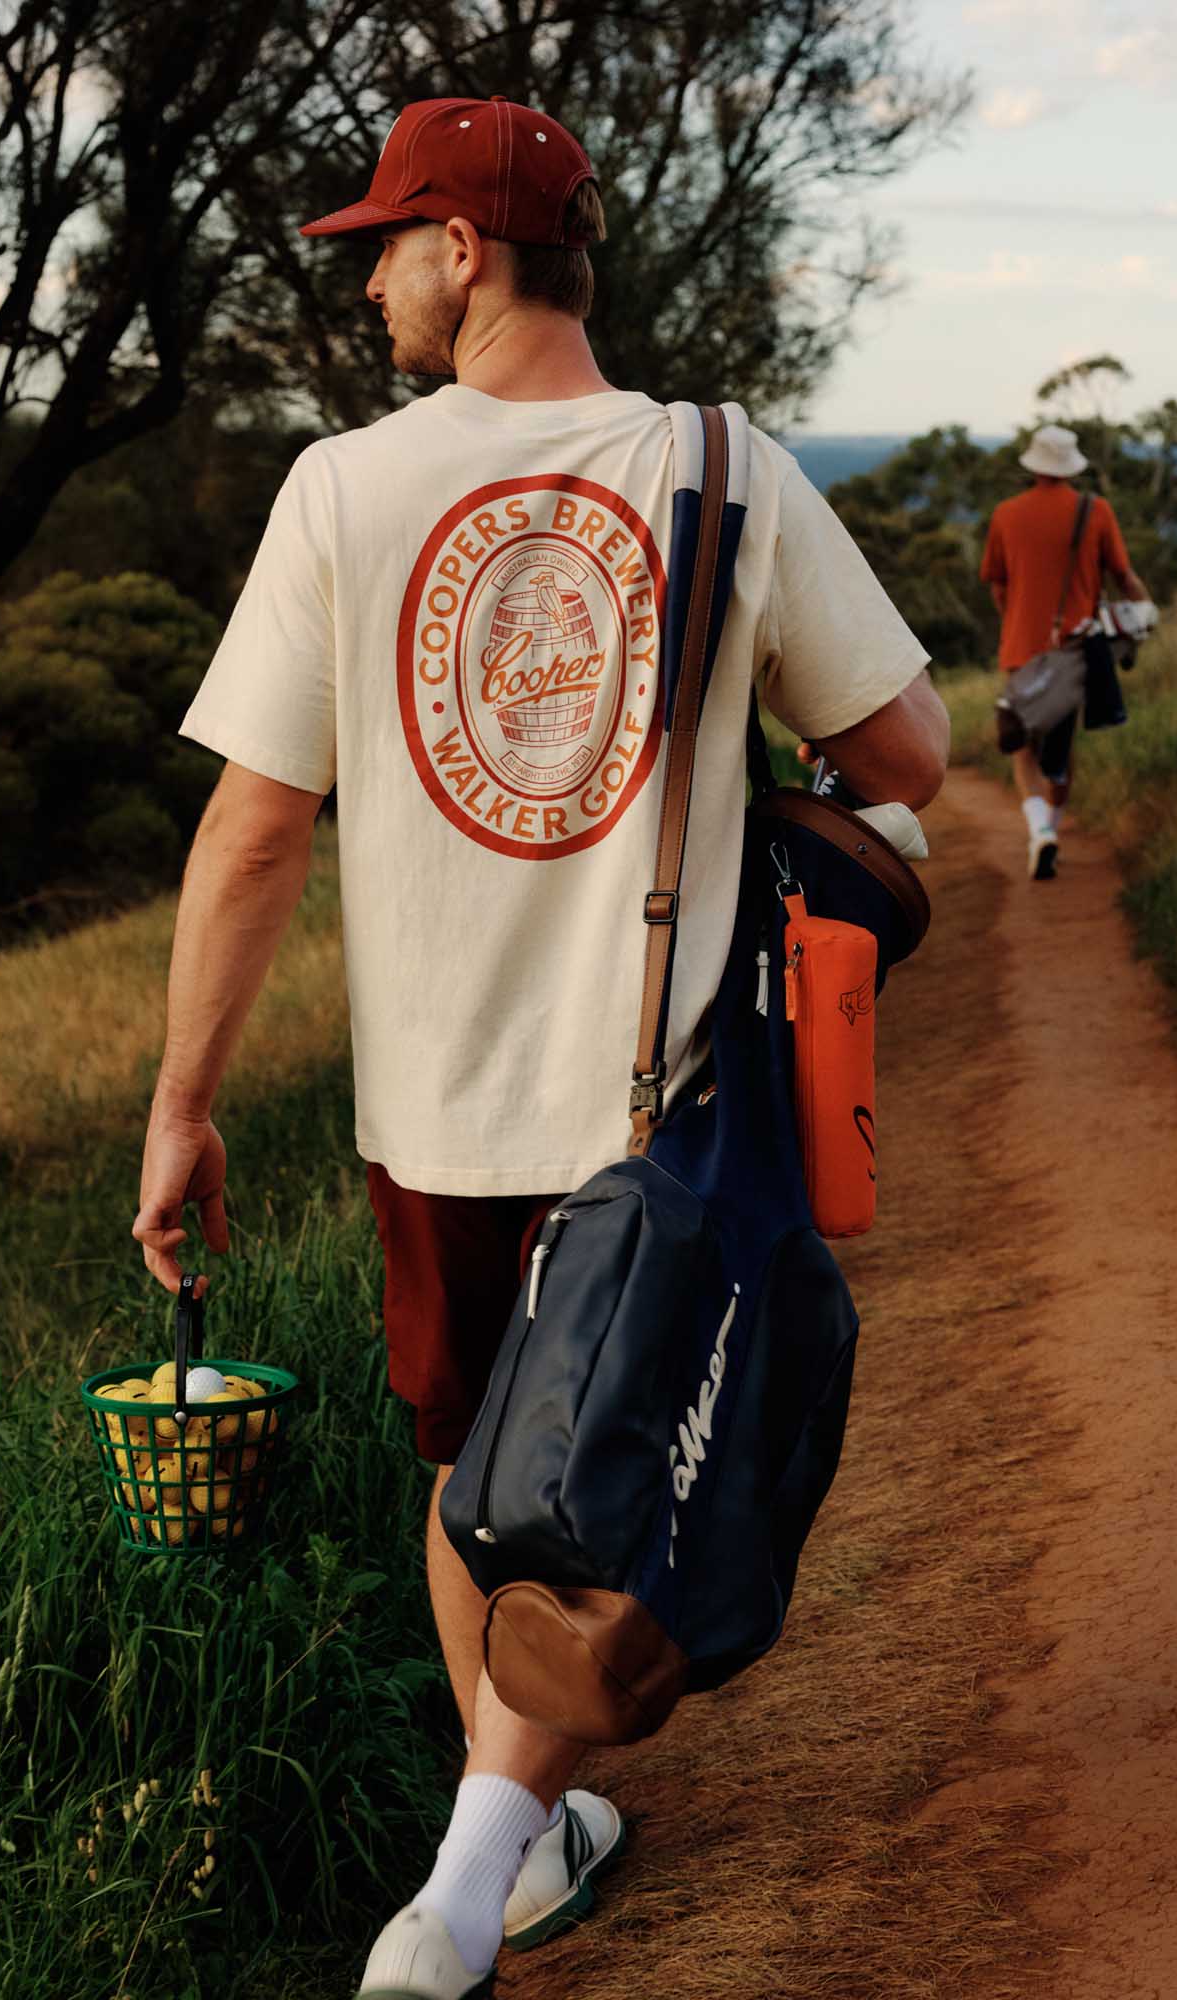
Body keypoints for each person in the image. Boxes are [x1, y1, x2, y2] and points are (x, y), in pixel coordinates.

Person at [131, 94, 949, 2000]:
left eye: (387, 249)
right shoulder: (727, 469)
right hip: (661, 1091)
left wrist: (184, 1106)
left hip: (434, 1104)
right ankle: (488, 1855)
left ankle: (494, 1851)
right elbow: (908, 760)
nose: (376, 284)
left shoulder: (341, 489)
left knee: (474, 1464)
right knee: (620, 1446)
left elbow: (256, 827)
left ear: (469, 253)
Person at [980, 423, 1149, 880]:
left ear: (1034, 465)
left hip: (1021, 648)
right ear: (1071, 466)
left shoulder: (1006, 514)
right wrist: (1144, 613)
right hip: (1075, 652)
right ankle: (1052, 827)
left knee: (1022, 746)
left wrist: (1015, 617)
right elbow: (1124, 576)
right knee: (1061, 743)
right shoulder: (1096, 511)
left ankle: (1040, 834)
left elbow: (997, 583)